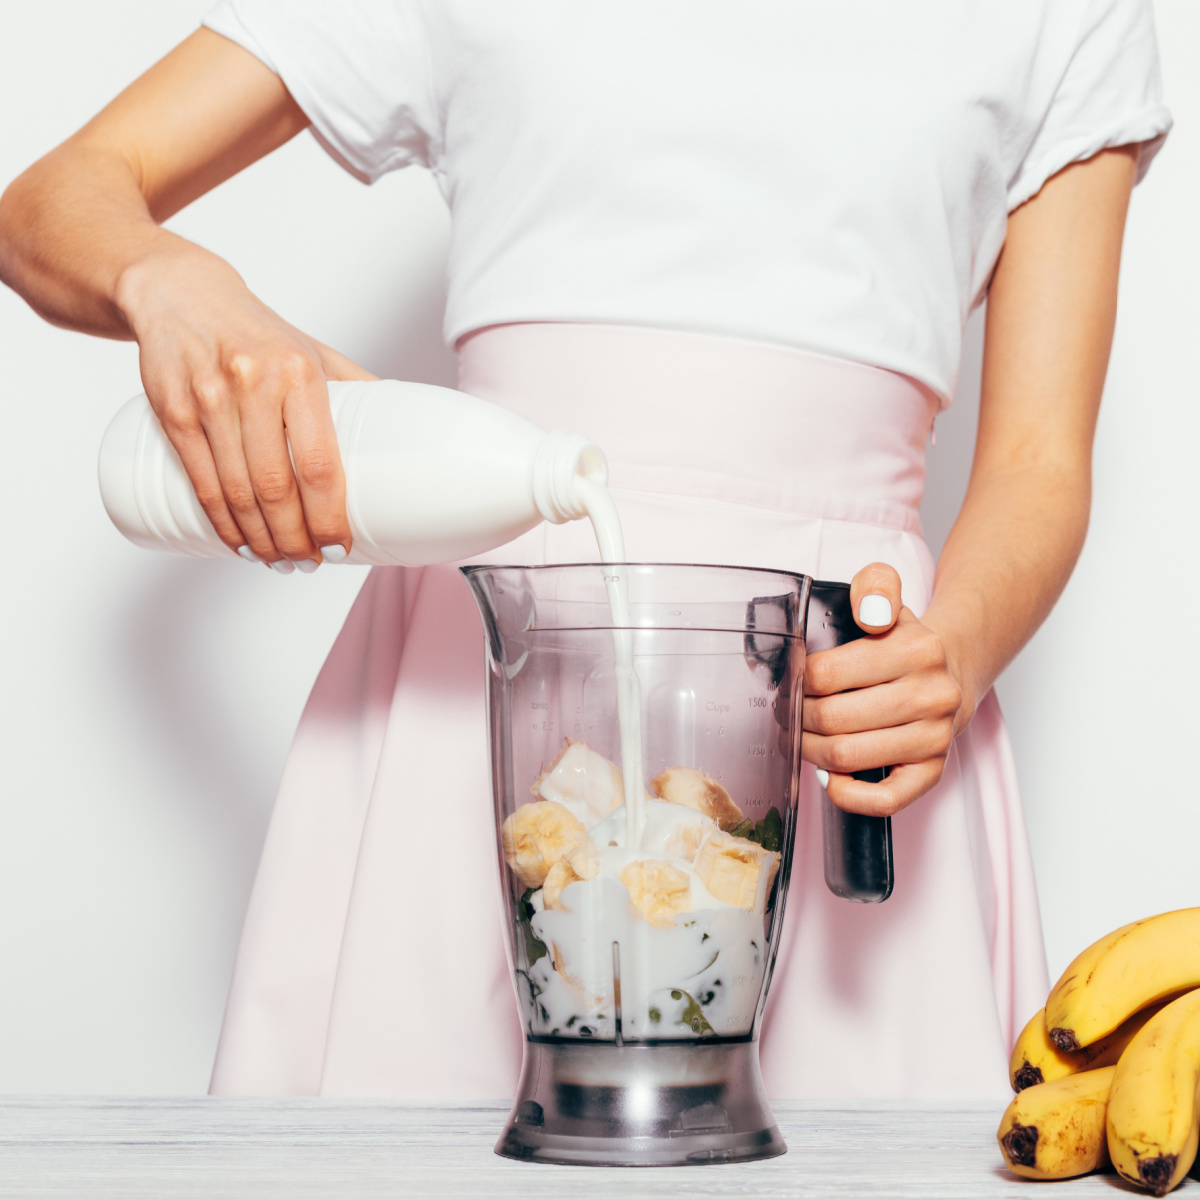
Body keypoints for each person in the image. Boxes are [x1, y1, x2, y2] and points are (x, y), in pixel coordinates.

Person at [0, 0, 1171, 1099]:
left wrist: (952, 652)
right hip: (474, 680)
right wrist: (179, 281)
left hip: (842, 715)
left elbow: (1034, 463)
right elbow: (58, 197)